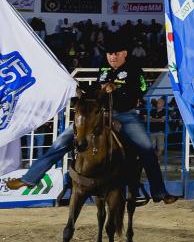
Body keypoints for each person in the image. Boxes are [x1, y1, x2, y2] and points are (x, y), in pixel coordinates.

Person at [6, 33, 179, 203]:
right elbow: (96, 90)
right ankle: (29, 178)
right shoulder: (103, 68)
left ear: (125, 53)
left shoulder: (134, 68)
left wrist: (117, 89)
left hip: (125, 114)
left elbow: (141, 89)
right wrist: (82, 90)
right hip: (98, 114)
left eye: (117, 53)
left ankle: (159, 191)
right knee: (61, 142)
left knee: (147, 148)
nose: (113, 57)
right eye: (110, 53)